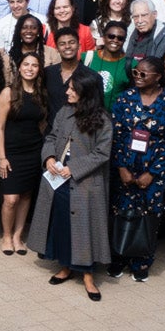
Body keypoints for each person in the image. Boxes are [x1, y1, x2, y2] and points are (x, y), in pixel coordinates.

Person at [107, 58, 165, 282]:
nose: (137, 77)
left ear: (158, 77)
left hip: (153, 173)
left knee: (148, 216)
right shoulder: (124, 99)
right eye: (135, 73)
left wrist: (153, 173)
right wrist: (121, 166)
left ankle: (141, 261)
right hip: (125, 168)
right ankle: (117, 257)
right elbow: (115, 136)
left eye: (143, 74)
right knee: (120, 213)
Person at [39, 70, 111, 300]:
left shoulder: (103, 120)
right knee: (62, 223)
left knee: (84, 227)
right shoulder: (64, 112)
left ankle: (88, 275)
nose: (67, 91)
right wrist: (49, 157)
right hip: (58, 178)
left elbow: (102, 153)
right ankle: (66, 266)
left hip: (85, 182)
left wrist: (75, 168)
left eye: (72, 88)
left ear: (86, 92)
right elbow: (50, 137)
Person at [0, 49, 49, 256]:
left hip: (33, 151)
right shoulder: (8, 92)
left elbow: (41, 123)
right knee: (11, 199)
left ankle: (18, 236)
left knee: (26, 196)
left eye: (34, 65)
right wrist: (1, 157)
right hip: (11, 152)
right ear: (19, 67)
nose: (30, 69)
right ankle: (6, 236)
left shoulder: (41, 93)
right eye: (26, 64)